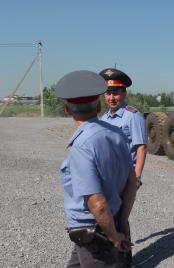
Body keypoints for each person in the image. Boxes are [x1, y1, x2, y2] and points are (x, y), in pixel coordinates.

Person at [56, 70, 138, 267]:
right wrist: (122, 221)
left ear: (67, 110)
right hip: (110, 221)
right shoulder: (117, 134)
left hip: (96, 230)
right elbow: (131, 182)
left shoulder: (82, 145)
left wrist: (114, 237)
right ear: (99, 105)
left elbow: (98, 204)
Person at [99, 68, 147, 189]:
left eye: (115, 93)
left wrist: (137, 177)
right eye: (108, 93)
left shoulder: (133, 116)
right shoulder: (104, 118)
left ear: (124, 93)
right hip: (107, 175)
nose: (111, 98)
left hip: (125, 176)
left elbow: (141, 147)